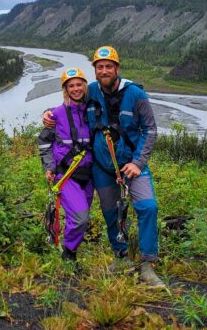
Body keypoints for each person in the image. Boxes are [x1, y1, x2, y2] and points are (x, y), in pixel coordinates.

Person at [44, 46, 164, 287]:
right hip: (103, 168)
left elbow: (149, 130)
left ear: (117, 68)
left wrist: (138, 162)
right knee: (111, 213)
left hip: (132, 165)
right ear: (95, 70)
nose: (104, 70)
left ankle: (148, 266)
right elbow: (70, 104)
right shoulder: (91, 91)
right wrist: (48, 116)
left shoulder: (136, 95)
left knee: (148, 207)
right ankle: (120, 257)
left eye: (109, 66)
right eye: (100, 67)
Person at [38, 67, 94, 262]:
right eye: (71, 86)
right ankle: (68, 253)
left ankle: (71, 251)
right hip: (67, 175)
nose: (76, 89)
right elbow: (44, 142)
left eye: (79, 84)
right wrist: (49, 167)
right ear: (66, 89)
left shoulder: (92, 112)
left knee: (79, 219)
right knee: (81, 218)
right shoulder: (56, 115)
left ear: (85, 86)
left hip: (89, 176)